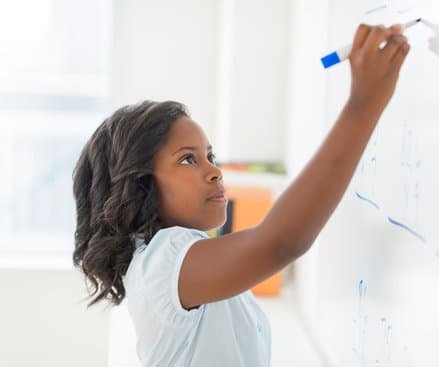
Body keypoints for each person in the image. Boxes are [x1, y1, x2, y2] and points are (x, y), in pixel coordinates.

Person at [72, 23, 410, 366]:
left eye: (210, 156)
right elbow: (281, 241)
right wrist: (364, 104)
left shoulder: (178, 261)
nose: (214, 171)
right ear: (141, 185)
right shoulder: (163, 261)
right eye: (188, 159)